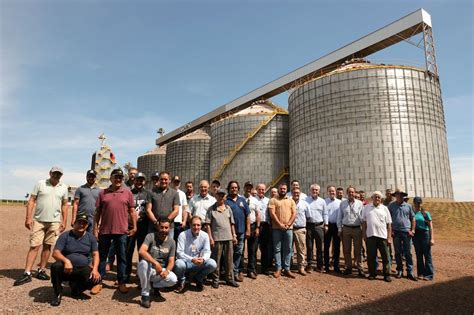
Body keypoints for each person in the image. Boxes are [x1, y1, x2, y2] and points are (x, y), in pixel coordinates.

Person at [14, 166, 69, 286]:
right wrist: (28, 218)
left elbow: (65, 205)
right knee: (34, 246)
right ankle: (27, 273)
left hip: (54, 222)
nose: (56, 176)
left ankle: (41, 270)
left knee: (47, 246)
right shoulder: (40, 184)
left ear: (61, 176)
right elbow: (32, 200)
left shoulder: (64, 187)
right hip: (39, 221)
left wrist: (64, 221)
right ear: (50, 173)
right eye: (54, 173)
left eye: (59, 174)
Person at [93, 168, 137, 294]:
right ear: (111, 178)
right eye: (116, 177)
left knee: (122, 257)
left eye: (120, 177)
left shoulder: (127, 193)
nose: (118, 179)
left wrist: (135, 227)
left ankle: (121, 282)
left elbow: (132, 211)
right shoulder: (103, 193)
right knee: (102, 257)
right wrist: (95, 229)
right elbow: (97, 212)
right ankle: (98, 282)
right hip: (105, 231)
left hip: (122, 231)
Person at [50, 212, 101, 306]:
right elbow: (55, 253)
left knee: (96, 279)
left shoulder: (91, 238)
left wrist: (95, 269)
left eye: (84, 223)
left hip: (82, 268)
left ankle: (76, 288)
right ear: (74, 223)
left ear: (87, 225)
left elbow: (95, 254)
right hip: (66, 269)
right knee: (55, 266)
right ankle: (58, 293)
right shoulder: (65, 235)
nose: (81, 225)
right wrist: (66, 261)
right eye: (79, 222)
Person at [138, 218, 178, 308]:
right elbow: (141, 251)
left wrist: (167, 271)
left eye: (166, 227)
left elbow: (171, 261)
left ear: (169, 228)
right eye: (161, 227)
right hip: (149, 268)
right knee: (143, 263)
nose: (163, 230)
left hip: (160, 271)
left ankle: (154, 286)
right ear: (157, 227)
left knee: (173, 279)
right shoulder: (150, 236)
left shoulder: (172, 242)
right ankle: (145, 295)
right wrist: (155, 263)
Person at [205, 189, 239, 288]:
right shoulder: (211, 209)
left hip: (228, 237)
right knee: (216, 260)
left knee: (229, 259)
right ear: (216, 196)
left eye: (222, 195)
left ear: (225, 197)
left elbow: (232, 224)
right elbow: (208, 225)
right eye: (219, 195)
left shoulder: (228, 208)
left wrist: (234, 235)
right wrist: (210, 238)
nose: (220, 197)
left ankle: (229, 278)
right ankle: (216, 279)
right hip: (216, 238)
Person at [174, 216, 217, 292]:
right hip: (186, 262)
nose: (196, 227)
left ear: (201, 226)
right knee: (178, 264)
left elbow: (207, 251)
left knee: (212, 264)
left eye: (198, 225)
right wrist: (192, 259)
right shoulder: (183, 235)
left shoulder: (205, 235)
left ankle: (198, 278)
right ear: (190, 225)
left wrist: (203, 259)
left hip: (199, 262)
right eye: (194, 225)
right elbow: (179, 253)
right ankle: (182, 280)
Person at [125, 172, 150, 283]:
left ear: (144, 181)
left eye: (141, 180)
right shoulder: (129, 193)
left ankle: (141, 276)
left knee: (142, 252)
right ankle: (126, 275)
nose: (139, 182)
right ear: (134, 181)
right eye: (137, 180)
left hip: (143, 226)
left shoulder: (148, 194)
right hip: (130, 226)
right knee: (128, 251)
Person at [362, 191, 392, 282]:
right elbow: (364, 222)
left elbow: (389, 224)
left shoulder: (385, 208)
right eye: (375, 197)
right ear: (372, 198)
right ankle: (372, 273)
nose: (377, 198)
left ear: (381, 199)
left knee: (385, 256)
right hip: (371, 235)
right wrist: (364, 235)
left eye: (379, 197)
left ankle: (387, 274)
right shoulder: (366, 208)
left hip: (382, 236)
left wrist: (389, 237)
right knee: (371, 256)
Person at [268, 183, 297, 278]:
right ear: (279, 189)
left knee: (288, 249)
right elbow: (272, 214)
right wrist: (280, 224)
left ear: (287, 189)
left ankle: (287, 269)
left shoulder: (291, 200)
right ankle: (278, 269)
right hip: (276, 229)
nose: (283, 190)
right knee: (277, 249)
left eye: (284, 188)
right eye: (281, 188)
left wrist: (288, 224)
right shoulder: (273, 200)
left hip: (288, 229)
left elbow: (294, 214)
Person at [388, 188, 417, 281]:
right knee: (397, 252)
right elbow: (388, 220)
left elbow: (413, 218)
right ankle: (399, 270)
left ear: (403, 196)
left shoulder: (408, 206)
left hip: (406, 232)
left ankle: (410, 271)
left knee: (408, 253)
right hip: (395, 232)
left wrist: (412, 230)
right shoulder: (391, 206)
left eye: (401, 194)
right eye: (397, 194)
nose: (399, 196)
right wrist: (390, 231)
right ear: (395, 195)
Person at [225, 181, 251, 282]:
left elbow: (248, 215)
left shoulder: (242, 200)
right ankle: (229, 272)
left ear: (238, 189)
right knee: (229, 253)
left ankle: (235, 272)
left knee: (239, 252)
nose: (234, 189)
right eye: (232, 188)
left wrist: (248, 229)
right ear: (229, 189)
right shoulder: (226, 201)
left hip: (241, 231)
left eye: (236, 187)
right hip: (229, 232)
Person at [337, 186, 364, 277]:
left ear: (355, 193)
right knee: (346, 249)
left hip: (357, 229)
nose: (351, 194)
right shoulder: (342, 204)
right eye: (349, 192)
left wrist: (363, 229)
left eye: (352, 192)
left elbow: (363, 217)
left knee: (358, 250)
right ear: (347, 193)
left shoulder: (360, 203)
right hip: (346, 229)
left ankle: (360, 268)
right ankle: (348, 267)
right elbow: (339, 217)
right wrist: (340, 229)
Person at [146, 171, 180, 240]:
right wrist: (156, 222)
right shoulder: (151, 192)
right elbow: (148, 210)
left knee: (167, 248)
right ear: (159, 180)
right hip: (153, 226)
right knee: (151, 248)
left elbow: (176, 210)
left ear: (169, 180)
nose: (163, 181)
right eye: (161, 179)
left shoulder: (175, 193)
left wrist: (166, 222)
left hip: (169, 228)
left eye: (166, 179)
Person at [305, 184, 327, 273]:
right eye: (313, 190)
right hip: (309, 226)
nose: (315, 191)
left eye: (316, 190)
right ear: (310, 191)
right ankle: (309, 265)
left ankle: (320, 265)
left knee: (319, 247)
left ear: (319, 191)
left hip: (319, 226)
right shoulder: (306, 200)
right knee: (309, 246)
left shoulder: (322, 201)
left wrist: (326, 225)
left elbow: (325, 213)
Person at [412, 197, 435, 280]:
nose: (418, 204)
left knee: (427, 255)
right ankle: (420, 273)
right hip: (416, 235)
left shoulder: (426, 213)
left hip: (425, 234)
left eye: (419, 202)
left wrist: (432, 238)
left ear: (421, 203)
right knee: (419, 255)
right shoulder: (413, 213)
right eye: (416, 202)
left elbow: (431, 227)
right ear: (414, 203)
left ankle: (429, 275)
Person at [242, 181, 260, 279]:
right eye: (247, 187)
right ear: (244, 188)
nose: (248, 189)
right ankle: (240, 270)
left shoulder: (255, 200)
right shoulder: (240, 199)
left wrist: (257, 227)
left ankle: (251, 270)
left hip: (253, 226)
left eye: (250, 187)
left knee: (252, 250)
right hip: (241, 226)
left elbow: (258, 215)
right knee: (240, 249)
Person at [255, 183, 273, 275]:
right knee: (254, 247)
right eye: (260, 189)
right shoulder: (253, 200)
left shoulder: (268, 200)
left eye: (263, 189)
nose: (261, 191)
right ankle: (253, 268)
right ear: (256, 189)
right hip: (256, 226)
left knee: (265, 248)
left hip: (266, 226)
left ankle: (264, 268)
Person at [324, 185, 342, 273]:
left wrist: (339, 228)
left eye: (333, 191)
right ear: (328, 192)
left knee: (337, 247)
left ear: (335, 192)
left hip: (336, 226)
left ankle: (336, 266)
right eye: (330, 191)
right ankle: (326, 266)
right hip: (327, 226)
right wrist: (326, 225)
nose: (332, 192)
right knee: (326, 247)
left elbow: (340, 216)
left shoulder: (340, 202)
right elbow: (324, 214)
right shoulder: (324, 202)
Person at [291, 187, 308, 275]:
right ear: (292, 193)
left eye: (298, 193)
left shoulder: (305, 204)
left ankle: (301, 267)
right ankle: (288, 266)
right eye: (294, 192)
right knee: (288, 249)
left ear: (300, 193)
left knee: (301, 249)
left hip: (300, 229)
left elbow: (308, 216)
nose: (296, 194)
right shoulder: (288, 202)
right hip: (289, 229)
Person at [171, 175, 188, 241]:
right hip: (170, 221)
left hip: (178, 222)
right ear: (172, 182)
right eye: (175, 182)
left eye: (178, 182)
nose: (176, 183)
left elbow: (185, 208)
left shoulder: (182, 194)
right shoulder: (168, 192)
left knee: (178, 241)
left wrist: (184, 221)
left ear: (180, 183)